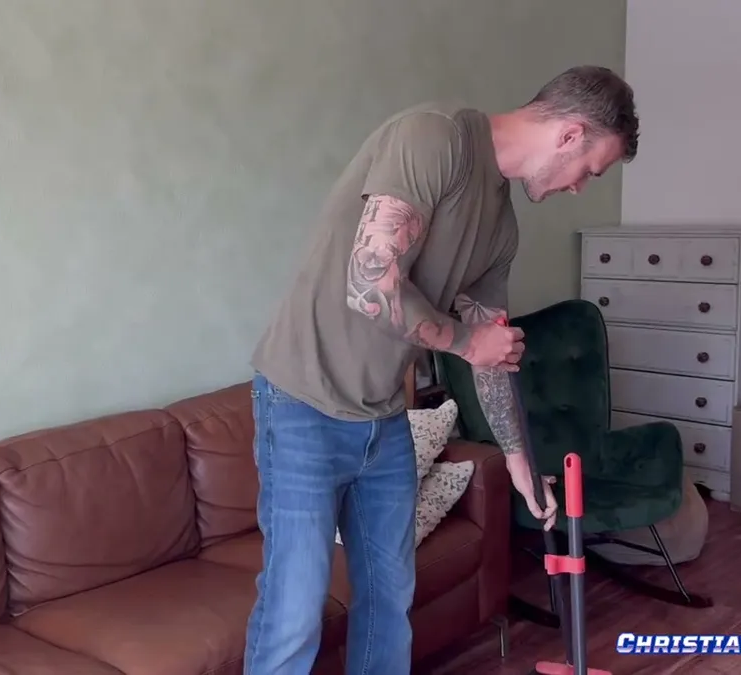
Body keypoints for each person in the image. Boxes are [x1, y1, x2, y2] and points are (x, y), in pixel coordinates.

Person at [245, 65, 639, 674]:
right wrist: (464, 341)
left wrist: (519, 464)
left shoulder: (500, 228)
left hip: (384, 419)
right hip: (303, 405)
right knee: (295, 610)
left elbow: (492, 353)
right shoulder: (435, 138)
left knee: (389, 604)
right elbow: (368, 285)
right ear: (569, 135)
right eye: (591, 169)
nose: (581, 186)